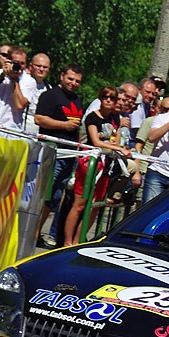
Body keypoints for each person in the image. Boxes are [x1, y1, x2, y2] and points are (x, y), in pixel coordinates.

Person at [63, 86, 135, 246]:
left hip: (107, 165)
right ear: (100, 98)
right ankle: (67, 242)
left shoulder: (115, 118)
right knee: (79, 205)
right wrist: (118, 148)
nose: (108, 100)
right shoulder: (92, 117)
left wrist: (120, 148)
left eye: (112, 98)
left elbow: (116, 141)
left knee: (94, 206)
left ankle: (78, 241)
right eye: (105, 97)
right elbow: (96, 141)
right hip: (90, 164)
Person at [34, 64, 85, 248]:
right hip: (52, 152)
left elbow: (77, 128)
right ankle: (29, 233)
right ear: (62, 76)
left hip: (70, 155)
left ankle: (36, 234)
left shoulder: (77, 99)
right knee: (42, 195)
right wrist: (64, 125)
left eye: (77, 81)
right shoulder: (50, 96)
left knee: (54, 198)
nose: (73, 83)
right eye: (70, 79)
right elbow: (39, 119)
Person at [0, 45, 29, 134]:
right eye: (16, 62)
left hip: (10, 132)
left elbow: (19, 105)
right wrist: (3, 75)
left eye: (22, 63)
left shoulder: (29, 81)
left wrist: (15, 80)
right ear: (9, 61)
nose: (19, 66)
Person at [20, 52, 52, 134]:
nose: (41, 69)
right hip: (18, 129)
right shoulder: (21, 81)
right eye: (38, 66)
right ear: (31, 66)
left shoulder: (49, 89)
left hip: (38, 133)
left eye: (45, 67)